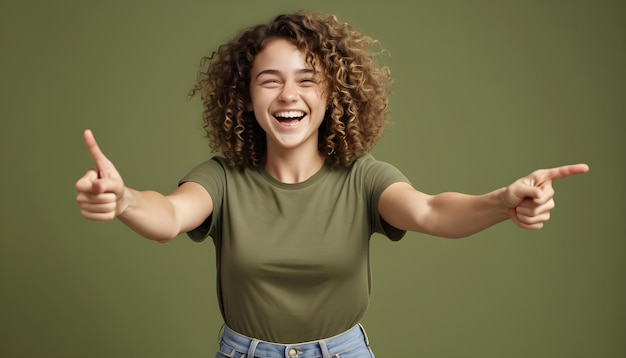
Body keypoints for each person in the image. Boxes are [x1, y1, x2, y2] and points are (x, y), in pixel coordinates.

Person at [75, 10, 589, 358]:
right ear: (246, 98)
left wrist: (502, 202)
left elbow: (431, 212)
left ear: (333, 93)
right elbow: (167, 216)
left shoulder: (364, 178)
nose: (287, 94)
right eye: (269, 79)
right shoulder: (223, 177)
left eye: (306, 78)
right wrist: (122, 200)